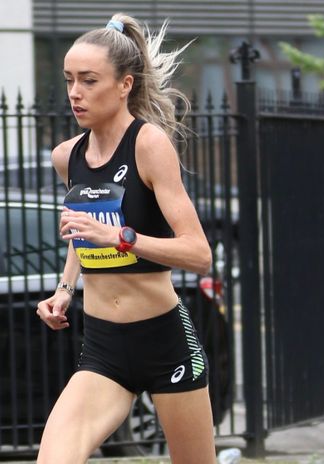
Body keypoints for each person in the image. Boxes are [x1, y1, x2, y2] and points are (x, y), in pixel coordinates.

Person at [35, 14, 215, 463]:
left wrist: (122, 238)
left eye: (89, 80)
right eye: (69, 80)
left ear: (124, 85)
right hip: (103, 347)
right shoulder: (67, 157)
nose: (75, 92)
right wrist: (64, 288)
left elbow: (199, 254)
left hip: (165, 341)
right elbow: (83, 232)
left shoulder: (148, 145)